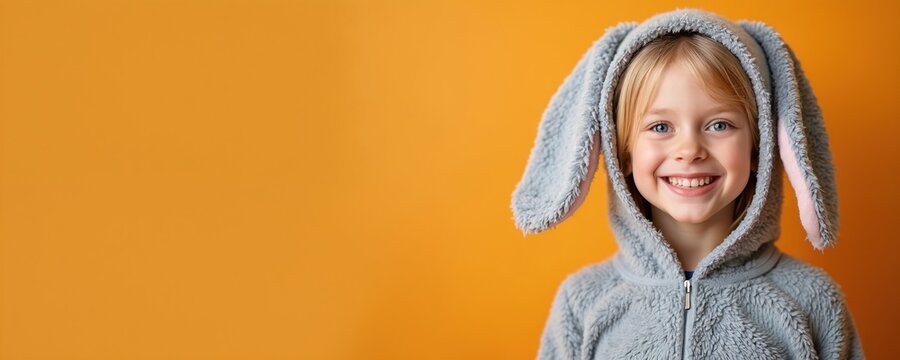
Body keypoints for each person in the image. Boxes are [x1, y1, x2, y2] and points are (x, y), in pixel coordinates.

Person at [510, 8, 865, 359]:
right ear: (625, 152)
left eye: (719, 125)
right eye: (660, 127)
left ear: (760, 147)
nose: (690, 150)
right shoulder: (583, 302)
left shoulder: (812, 300)